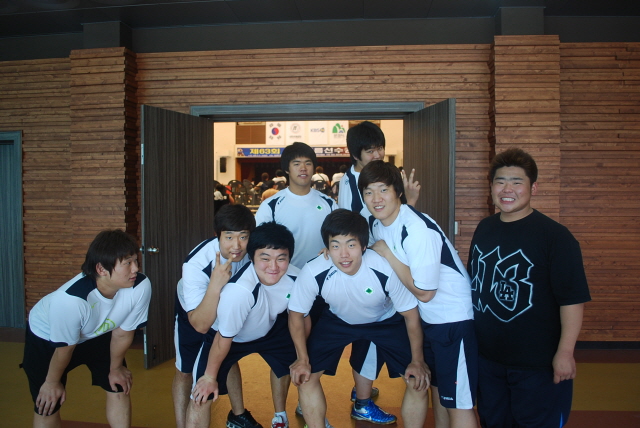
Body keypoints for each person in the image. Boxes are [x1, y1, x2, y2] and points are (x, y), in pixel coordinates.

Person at [467, 148, 591, 428]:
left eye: (516, 182)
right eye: (500, 182)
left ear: (533, 188)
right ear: (491, 187)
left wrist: (565, 353)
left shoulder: (555, 237)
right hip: (489, 361)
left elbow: (572, 301)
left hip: (537, 365)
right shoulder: (484, 229)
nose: (507, 189)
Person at [360, 160, 479, 428]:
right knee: (437, 392)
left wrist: (387, 254)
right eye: (369, 192)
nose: (376, 198)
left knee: (458, 403)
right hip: (427, 321)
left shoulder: (418, 230)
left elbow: (425, 293)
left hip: (452, 321)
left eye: (383, 190)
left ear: (398, 191)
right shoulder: (377, 224)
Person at [288, 209, 430, 428]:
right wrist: (302, 359)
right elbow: (296, 315)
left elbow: (411, 315)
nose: (344, 254)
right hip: (338, 320)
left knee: (417, 381)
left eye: (351, 245)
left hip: (384, 320)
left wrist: (418, 361)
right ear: (327, 247)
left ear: (364, 246)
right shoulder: (314, 270)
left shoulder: (384, 268)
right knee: (305, 377)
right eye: (336, 246)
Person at [22, 229, 152, 428]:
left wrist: (116, 368)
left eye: (136, 260)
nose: (135, 268)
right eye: (127, 263)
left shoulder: (140, 286)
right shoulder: (71, 300)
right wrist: (52, 383)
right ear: (101, 269)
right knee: (48, 403)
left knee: (118, 384)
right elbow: (64, 349)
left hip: (97, 332)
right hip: (48, 339)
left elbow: (123, 333)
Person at [186, 222, 299, 428]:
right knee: (202, 394)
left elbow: (302, 316)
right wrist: (209, 377)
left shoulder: (297, 277)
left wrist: (303, 357)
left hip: (269, 331)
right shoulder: (239, 292)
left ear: (289, 258)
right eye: (265, 258)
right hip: (228, 337)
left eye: (281, 258)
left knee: (300, 368)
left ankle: (281, 417)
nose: (273, 267)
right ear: (252, 257)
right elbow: (223, 339)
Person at [173, 204, 256, 428]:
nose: (236, 246)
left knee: (228, 357)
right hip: (194, 313)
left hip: (225, 311)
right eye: (229, 237)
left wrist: (325, 253)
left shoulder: (254, 250)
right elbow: (200, 324)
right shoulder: (196, 263)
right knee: (185, 370)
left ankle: (238, 415)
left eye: (243, 237)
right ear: (217, 235)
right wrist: (215, 285)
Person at [255, 142, 337, 270]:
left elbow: (342, 237)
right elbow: (258, 244)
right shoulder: (271, 206)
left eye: (308, 163)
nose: (303, 168)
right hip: (284, 276)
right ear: (287, 169)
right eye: (296, 163)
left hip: (322, 275)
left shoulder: (329, 204)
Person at [338, 120, 420, 218]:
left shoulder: (372, 173)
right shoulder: (353, 183)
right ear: (355, 155)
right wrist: (411, 201)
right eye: (370, 151)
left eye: (380, 148)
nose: (377, 155)